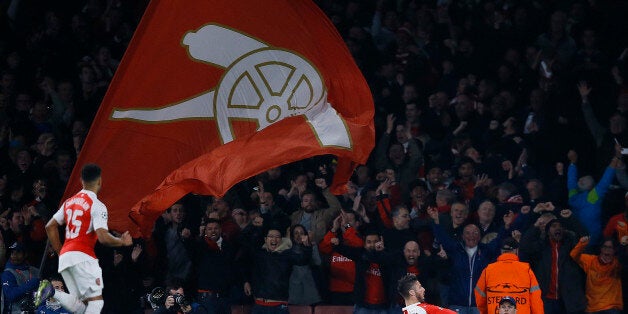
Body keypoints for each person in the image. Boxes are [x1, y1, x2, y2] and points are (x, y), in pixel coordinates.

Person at [37, 163, 133, 313]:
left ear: (82, 181)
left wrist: (60, 252)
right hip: (84, 258)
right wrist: (121, 241)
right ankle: (52, 291)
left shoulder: (69, 202)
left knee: (80, 306)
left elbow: (50, 227)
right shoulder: (97, 205)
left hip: (68, 256)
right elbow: (103, 238)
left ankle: (53, 292)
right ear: (100, 181)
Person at [474, 237, 543, 314]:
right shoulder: (526, 270)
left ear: (501, 251)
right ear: (517, 250)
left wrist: (485, 311)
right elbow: (536, 301)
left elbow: (479, 296)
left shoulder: (488, 270)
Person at [1, 242, 40, 314]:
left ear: (25, 254)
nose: (14, 255)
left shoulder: (35, 271)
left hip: (35, 310)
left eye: (18, 252)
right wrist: (30, 285)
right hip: (16, 311)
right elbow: (11, 295)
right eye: (12, 252)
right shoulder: (8, 273)